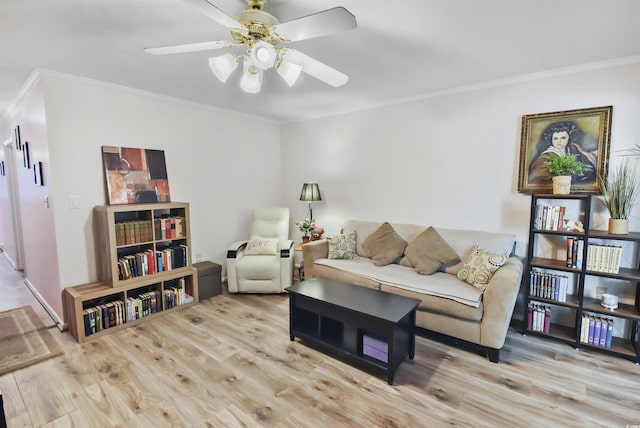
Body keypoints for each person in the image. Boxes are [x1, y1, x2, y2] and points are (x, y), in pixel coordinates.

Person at [527, 120, 598, 185]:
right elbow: (538, 179)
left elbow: (587, 167)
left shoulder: (573, 149)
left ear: (569, 138)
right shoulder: (545, 157)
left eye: (563, 138)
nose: (559, 141)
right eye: (555, 138)